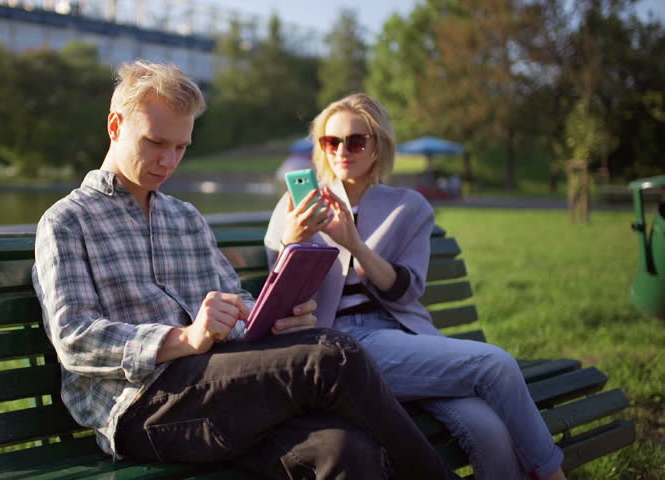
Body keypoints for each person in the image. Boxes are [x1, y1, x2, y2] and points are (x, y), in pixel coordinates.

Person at [32, 61, 461, 480]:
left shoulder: (185, 218)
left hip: (224, 390)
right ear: (115, 126)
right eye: (155, 143)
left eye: (181, 148)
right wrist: (183, 338)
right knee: (333, 353)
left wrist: (274, 320)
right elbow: (74, 338)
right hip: (142, 406)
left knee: (347, 452)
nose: (168, 161)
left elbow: (237, 303)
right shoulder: (67, 221)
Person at [265, 92, 567, 480]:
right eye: (331, 141)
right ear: (321, 147)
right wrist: (293, 240)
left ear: (378, 148)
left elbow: (405, 290)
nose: (343, 150)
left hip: (402, 339)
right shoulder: (294, 205)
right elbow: (282, 299)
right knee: (496, 364)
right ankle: (554, 474)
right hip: (341, 347)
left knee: (489, 431)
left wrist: (353, 243)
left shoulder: (407, 206)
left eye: (356, 140)